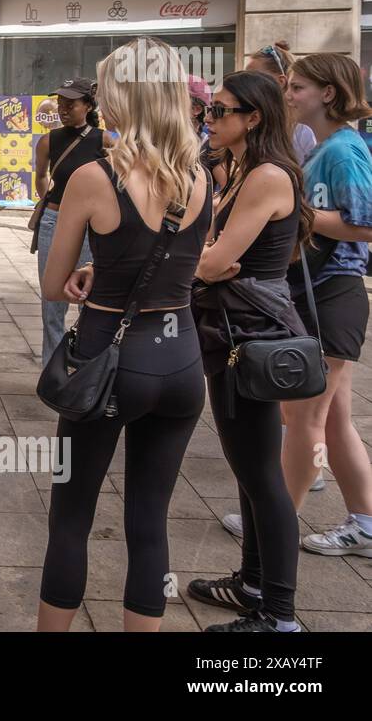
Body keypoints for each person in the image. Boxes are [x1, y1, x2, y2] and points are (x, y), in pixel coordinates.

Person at [37, 37, 212, 632]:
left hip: (110, 358)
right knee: (149, 519)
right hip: (183, 359)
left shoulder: (94, 176)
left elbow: (53, 283)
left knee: (71, 516)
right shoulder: (200, 175)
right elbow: (172, 263)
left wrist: (91, 275)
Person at [189, 71, 312, 632]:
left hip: (250, 334)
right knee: (246, 468)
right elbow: (211, 250)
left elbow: (212, 263)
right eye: (210, 111)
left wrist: (205, 258)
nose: (209, 120)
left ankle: (279, 617)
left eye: (220, 111)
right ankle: (253, 582)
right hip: (231, 329)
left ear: (253, 117)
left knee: (262, 474)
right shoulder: (240, 171)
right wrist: (210, 254)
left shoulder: (265, 175)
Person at [279, 53, 372, 559]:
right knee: (332, 420)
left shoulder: (341, 150)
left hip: (332, 296)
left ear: (328, 93)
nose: (289, 95)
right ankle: (365, 522)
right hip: (327, 296)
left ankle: (275, 521)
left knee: (304, 418)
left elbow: (366, 223)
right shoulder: (327, 148)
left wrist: (297, 212)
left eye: (297, 87)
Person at [32, 78, 109, 360]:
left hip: (91, 227)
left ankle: (84, 362)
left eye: (70, 104)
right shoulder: (49, 140)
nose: (63, 109)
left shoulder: (105, 141)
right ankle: (51, 367)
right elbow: (41, 175)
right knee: (51, 299)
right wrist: (48, 200)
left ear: (87, 106)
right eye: (61, 103)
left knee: (85, 295)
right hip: (54, 220)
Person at [246, 41, 316, 162]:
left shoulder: (303, 132)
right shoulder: (251, 124)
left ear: (280, 82)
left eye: (253, 78)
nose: (245, 84)